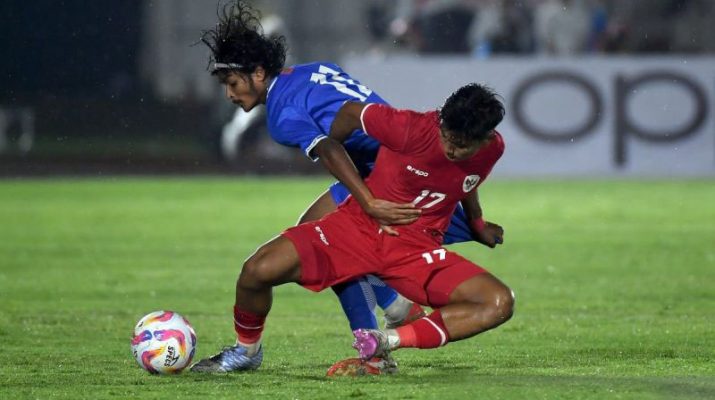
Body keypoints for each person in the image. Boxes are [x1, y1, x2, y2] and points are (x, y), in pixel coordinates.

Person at [194, 1, 491, 374]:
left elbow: (331, 146)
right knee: (317, 234)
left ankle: (363, 347)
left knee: (317, 250)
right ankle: (393, 308)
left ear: (257, 73)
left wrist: (368, 202)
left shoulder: (282, 115)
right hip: (399, 169)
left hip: (392, 181)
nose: (230, 95)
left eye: (232, 84)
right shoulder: (317, 70)